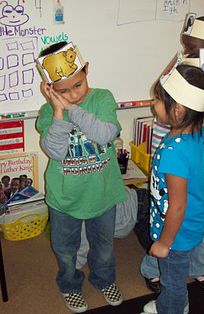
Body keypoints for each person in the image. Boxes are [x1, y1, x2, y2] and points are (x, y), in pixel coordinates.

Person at [141, 15, 204, 294]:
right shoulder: (175, 105)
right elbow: (160, 146)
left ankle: (195, 271)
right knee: (167, 229)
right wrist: (154, 177)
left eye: (195, 50)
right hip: (176, 181)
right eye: (188, 50)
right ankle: (152, 268)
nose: (188, 55)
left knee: (202, 232)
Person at [35, 41, 127, 313]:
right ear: (50, 90)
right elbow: (56, 152)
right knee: (65, 249)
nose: (73, 95)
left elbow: (105, 134)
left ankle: (104, 279)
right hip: (65, 197)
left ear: (86, 70)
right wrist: (59, 112)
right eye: (63, 91)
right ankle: (70, 285)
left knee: (104, 246)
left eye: (77, 85)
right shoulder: (47, 112)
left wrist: (71, 109)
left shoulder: (103, 98)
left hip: (102, 192)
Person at [141, 62, 204, 314]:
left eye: (157, 99)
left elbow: (177, 206)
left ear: (177, 110)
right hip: (191, 224)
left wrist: (165, 243)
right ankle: (172, 304)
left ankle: (173, 308)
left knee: (172, 281)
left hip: (176, 233)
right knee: (175, 278)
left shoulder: (173, 152)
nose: (153, 104)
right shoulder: (197, 133)